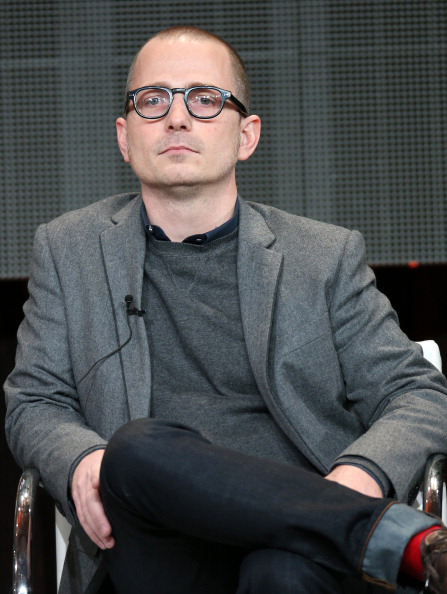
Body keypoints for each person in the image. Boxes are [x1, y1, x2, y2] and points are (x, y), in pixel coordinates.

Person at [4, 25, 447, 594]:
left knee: (279, 572)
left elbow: (419, 394)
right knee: (132, 449)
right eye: (153, 100)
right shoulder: (69, 250)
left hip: (295, 553)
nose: (177, 118)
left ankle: (340, 525)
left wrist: (362, 475)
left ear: (247, 135)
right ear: (124, 135)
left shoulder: (322, 255)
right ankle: (392, 539)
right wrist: (83, 458)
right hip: (153, 546)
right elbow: (34, 401)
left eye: (206, 99)